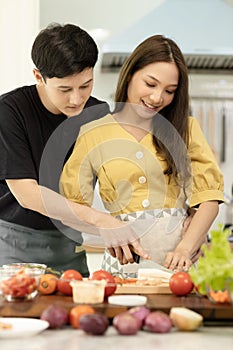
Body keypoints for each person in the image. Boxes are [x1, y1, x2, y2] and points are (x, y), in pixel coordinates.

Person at [60, 34, 224, 273]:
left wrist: (186, 247)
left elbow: (209, 197)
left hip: (179, 267)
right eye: (150, 84)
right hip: (122, 265)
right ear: (130, 75)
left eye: (170, 91)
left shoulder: (186, 129)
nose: (158, 98)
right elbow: (72, 205)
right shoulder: (92, 133)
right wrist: (106, 228)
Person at [0, 23, 149, 276]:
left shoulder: (98, 114)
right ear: (39, 76)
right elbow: (28, 195)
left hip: (70, 244)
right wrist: (102, 221)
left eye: (85, 86)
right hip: (14, 244)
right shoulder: (10, 111)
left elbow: (118, 177)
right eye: (65, 89)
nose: (76, 99)